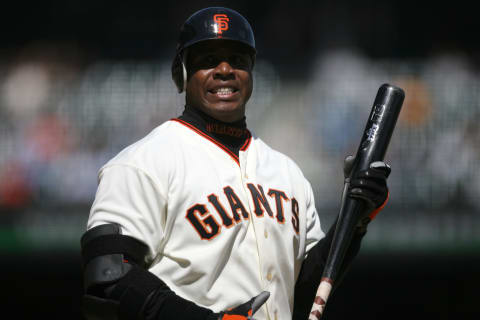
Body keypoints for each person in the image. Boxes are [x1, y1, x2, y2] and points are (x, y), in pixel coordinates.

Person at [80, 7, 391, 320]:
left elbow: (305, 292)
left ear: (252, 72)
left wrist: (355, 220)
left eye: (237, 59)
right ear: (183, 73)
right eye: (207, 60)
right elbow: (109, 277)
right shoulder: (141, 164)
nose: (225, 69)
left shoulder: (287, 173)